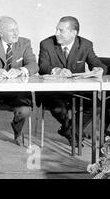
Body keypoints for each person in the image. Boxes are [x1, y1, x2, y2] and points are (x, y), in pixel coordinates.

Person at [38, 16, 108, 146]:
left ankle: (69, 130)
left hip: (76, 90)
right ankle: (72, 132)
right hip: (53, 91)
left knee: (96, 105)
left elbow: (97, 63)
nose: (56, 33)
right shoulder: (46, 44)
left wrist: (99, 69)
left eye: (61, 30)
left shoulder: (85, 45)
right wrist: (57, 71)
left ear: (74, 33)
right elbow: (42, 67)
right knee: (59, 109)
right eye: (56, 29)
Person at [0, 16, 39, 146]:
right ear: (0, 32)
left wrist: (21, 70)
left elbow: (34, 65)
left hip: (17, 93)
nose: (16, 33)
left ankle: (18, 132)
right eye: (11, 30)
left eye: (17, 29)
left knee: (25, 110)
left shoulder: (24, 43)